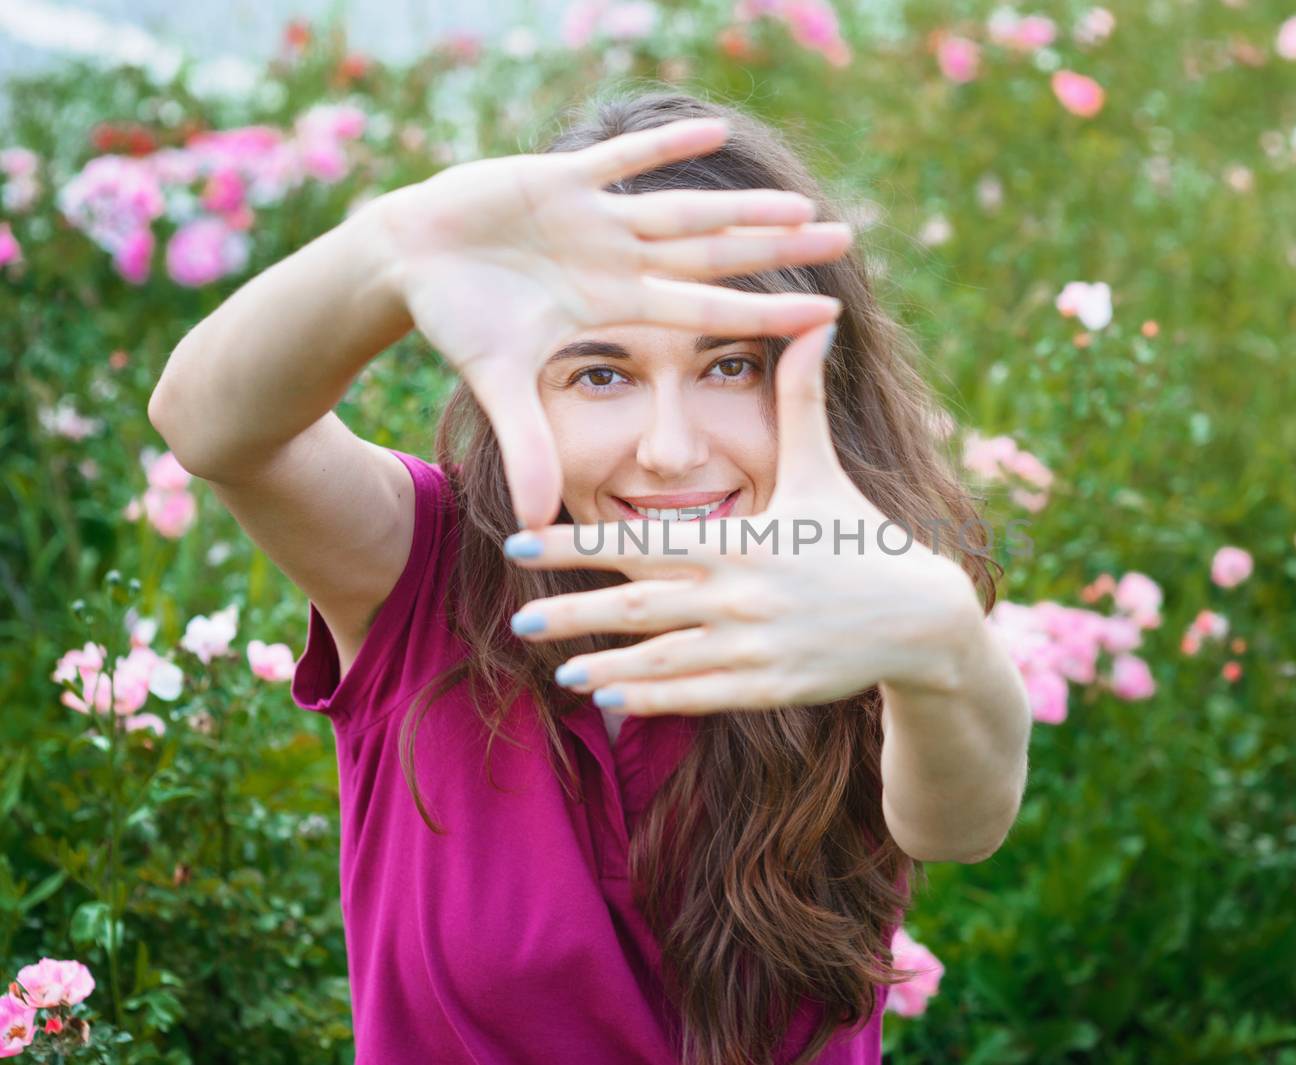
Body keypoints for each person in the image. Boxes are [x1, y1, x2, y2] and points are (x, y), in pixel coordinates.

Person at [147, 88, 1031, 1065]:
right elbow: (208, 427)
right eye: (601, 374)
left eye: (730, 366)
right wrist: (393, 249)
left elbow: (959, 824)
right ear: (520, 388)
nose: (668, 449)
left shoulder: (853, 593)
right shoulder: (421, 570)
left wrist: (943, 644)